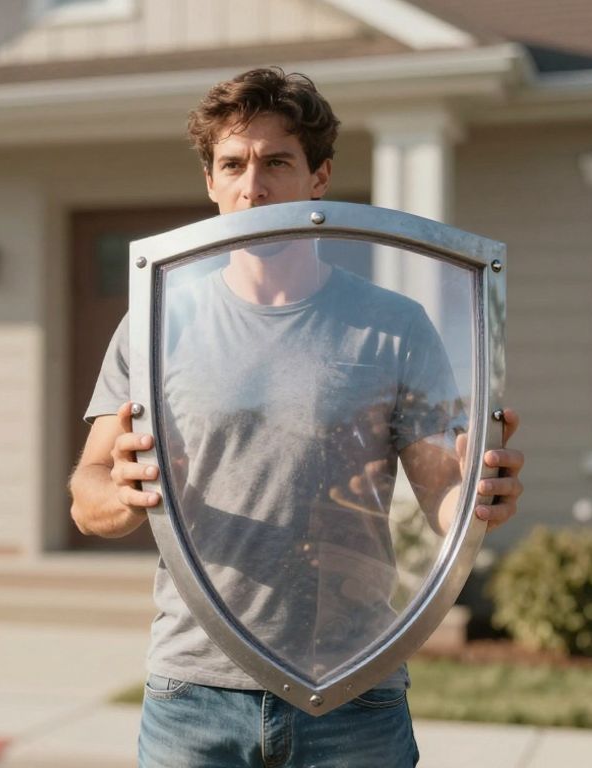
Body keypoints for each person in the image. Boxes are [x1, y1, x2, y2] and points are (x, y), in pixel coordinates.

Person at [67, 67, 526, 768]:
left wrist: (475, 494)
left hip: (354, 691)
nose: (255, 185)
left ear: (319, 178)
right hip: (193, 691)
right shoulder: (158, 321)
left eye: (277, 161)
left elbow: (443, 491)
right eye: (234, 164)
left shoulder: (394, 325)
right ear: (211, 184)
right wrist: (120, 493)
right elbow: (89, 490)